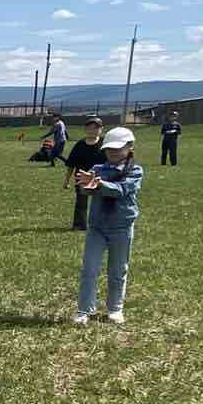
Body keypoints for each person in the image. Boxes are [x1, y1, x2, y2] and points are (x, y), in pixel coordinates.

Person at [72, 126, 142, 326]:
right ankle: (84, 310)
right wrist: (86, 187)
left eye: (118, 148)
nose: (112, 152)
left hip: (121, 227)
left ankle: (115, 309)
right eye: (109, 148)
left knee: (118, 270)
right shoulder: (97, 169)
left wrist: (101, 185)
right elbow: (87, 191)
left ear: (130, 147)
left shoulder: (135, 171)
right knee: (89, 269)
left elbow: (122, 190)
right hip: (97, 228)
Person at [61, 116, 107, 231]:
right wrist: (66, 180)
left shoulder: (105, 144)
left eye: (96, 128)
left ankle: (102, 224)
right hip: (81, 179)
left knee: (102, 202)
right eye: (89, 128)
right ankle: (79, 225)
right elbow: (71, 164)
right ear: (85, 129)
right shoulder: (80, 145)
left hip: (100, 179)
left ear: (101, 129)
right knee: (81, 203)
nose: (92, 130)